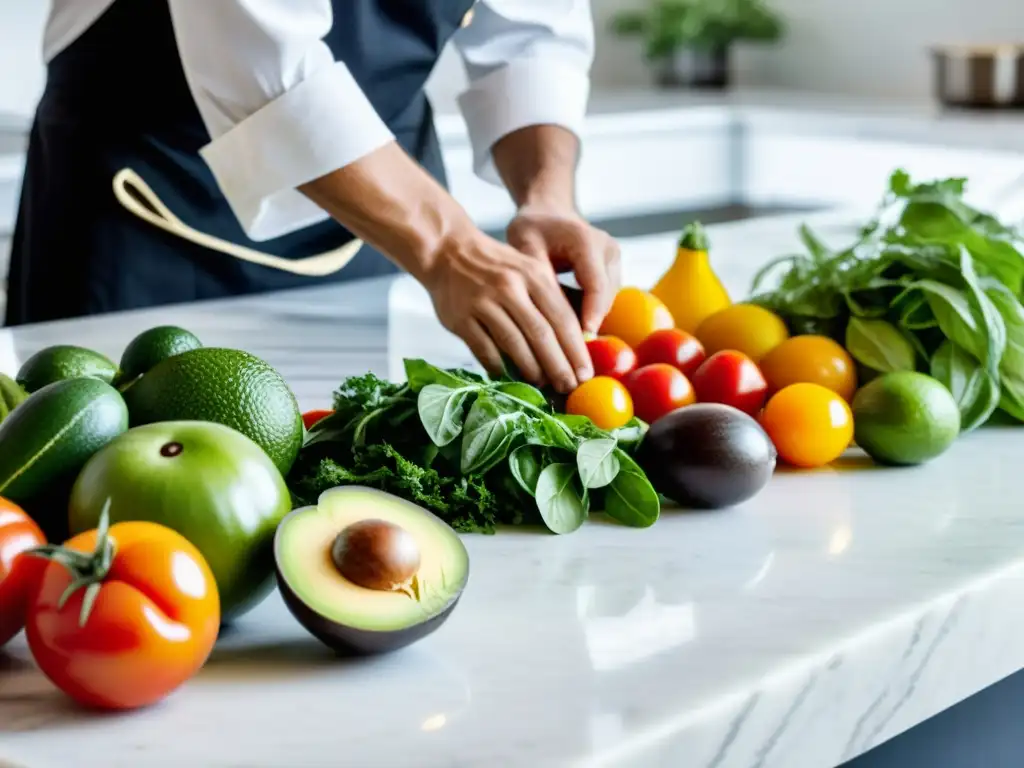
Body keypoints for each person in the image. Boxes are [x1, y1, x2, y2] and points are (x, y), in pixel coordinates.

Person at [7, 1, 620, 394]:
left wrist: (548, 198)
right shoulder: (442, 248)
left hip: (378, 217)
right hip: (147, 188)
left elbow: (532, 34)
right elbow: (262, 61)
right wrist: (447, 247)